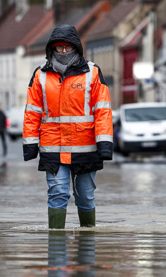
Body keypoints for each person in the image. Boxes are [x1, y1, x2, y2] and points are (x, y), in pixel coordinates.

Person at [23, 24, 114, 229]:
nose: (63, 52)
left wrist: (105, 144)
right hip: (53, 149)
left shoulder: (92, 73)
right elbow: (31, 113)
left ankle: (86, 252)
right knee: (57, 194)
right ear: (52, 49)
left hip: (86, 148)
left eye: (67, 48)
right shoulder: (40, 75)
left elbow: (103, 112)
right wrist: (30, 145)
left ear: (76, 48)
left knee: (85, 197)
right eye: (59, 48)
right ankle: (56, 255)